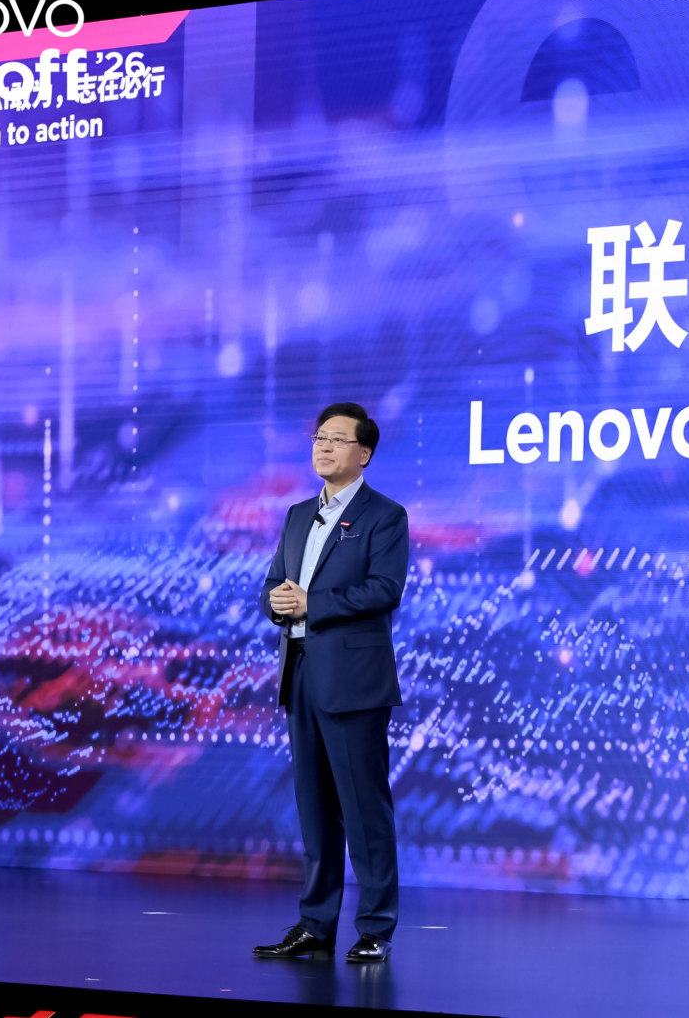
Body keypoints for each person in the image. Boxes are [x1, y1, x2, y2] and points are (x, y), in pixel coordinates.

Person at [252, 402, 408, 964]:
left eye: (338, 439)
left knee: (364, 809)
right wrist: (276, 601)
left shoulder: (384, 515)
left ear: (363, 453)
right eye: (320, 437)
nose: (324, 446)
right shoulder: (298, 515)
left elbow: (384, 590)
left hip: (354, 681)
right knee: (314, 808)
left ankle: (376, 927)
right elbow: (274, 583)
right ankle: (315, 923)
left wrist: (311, 603)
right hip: (300, 674)